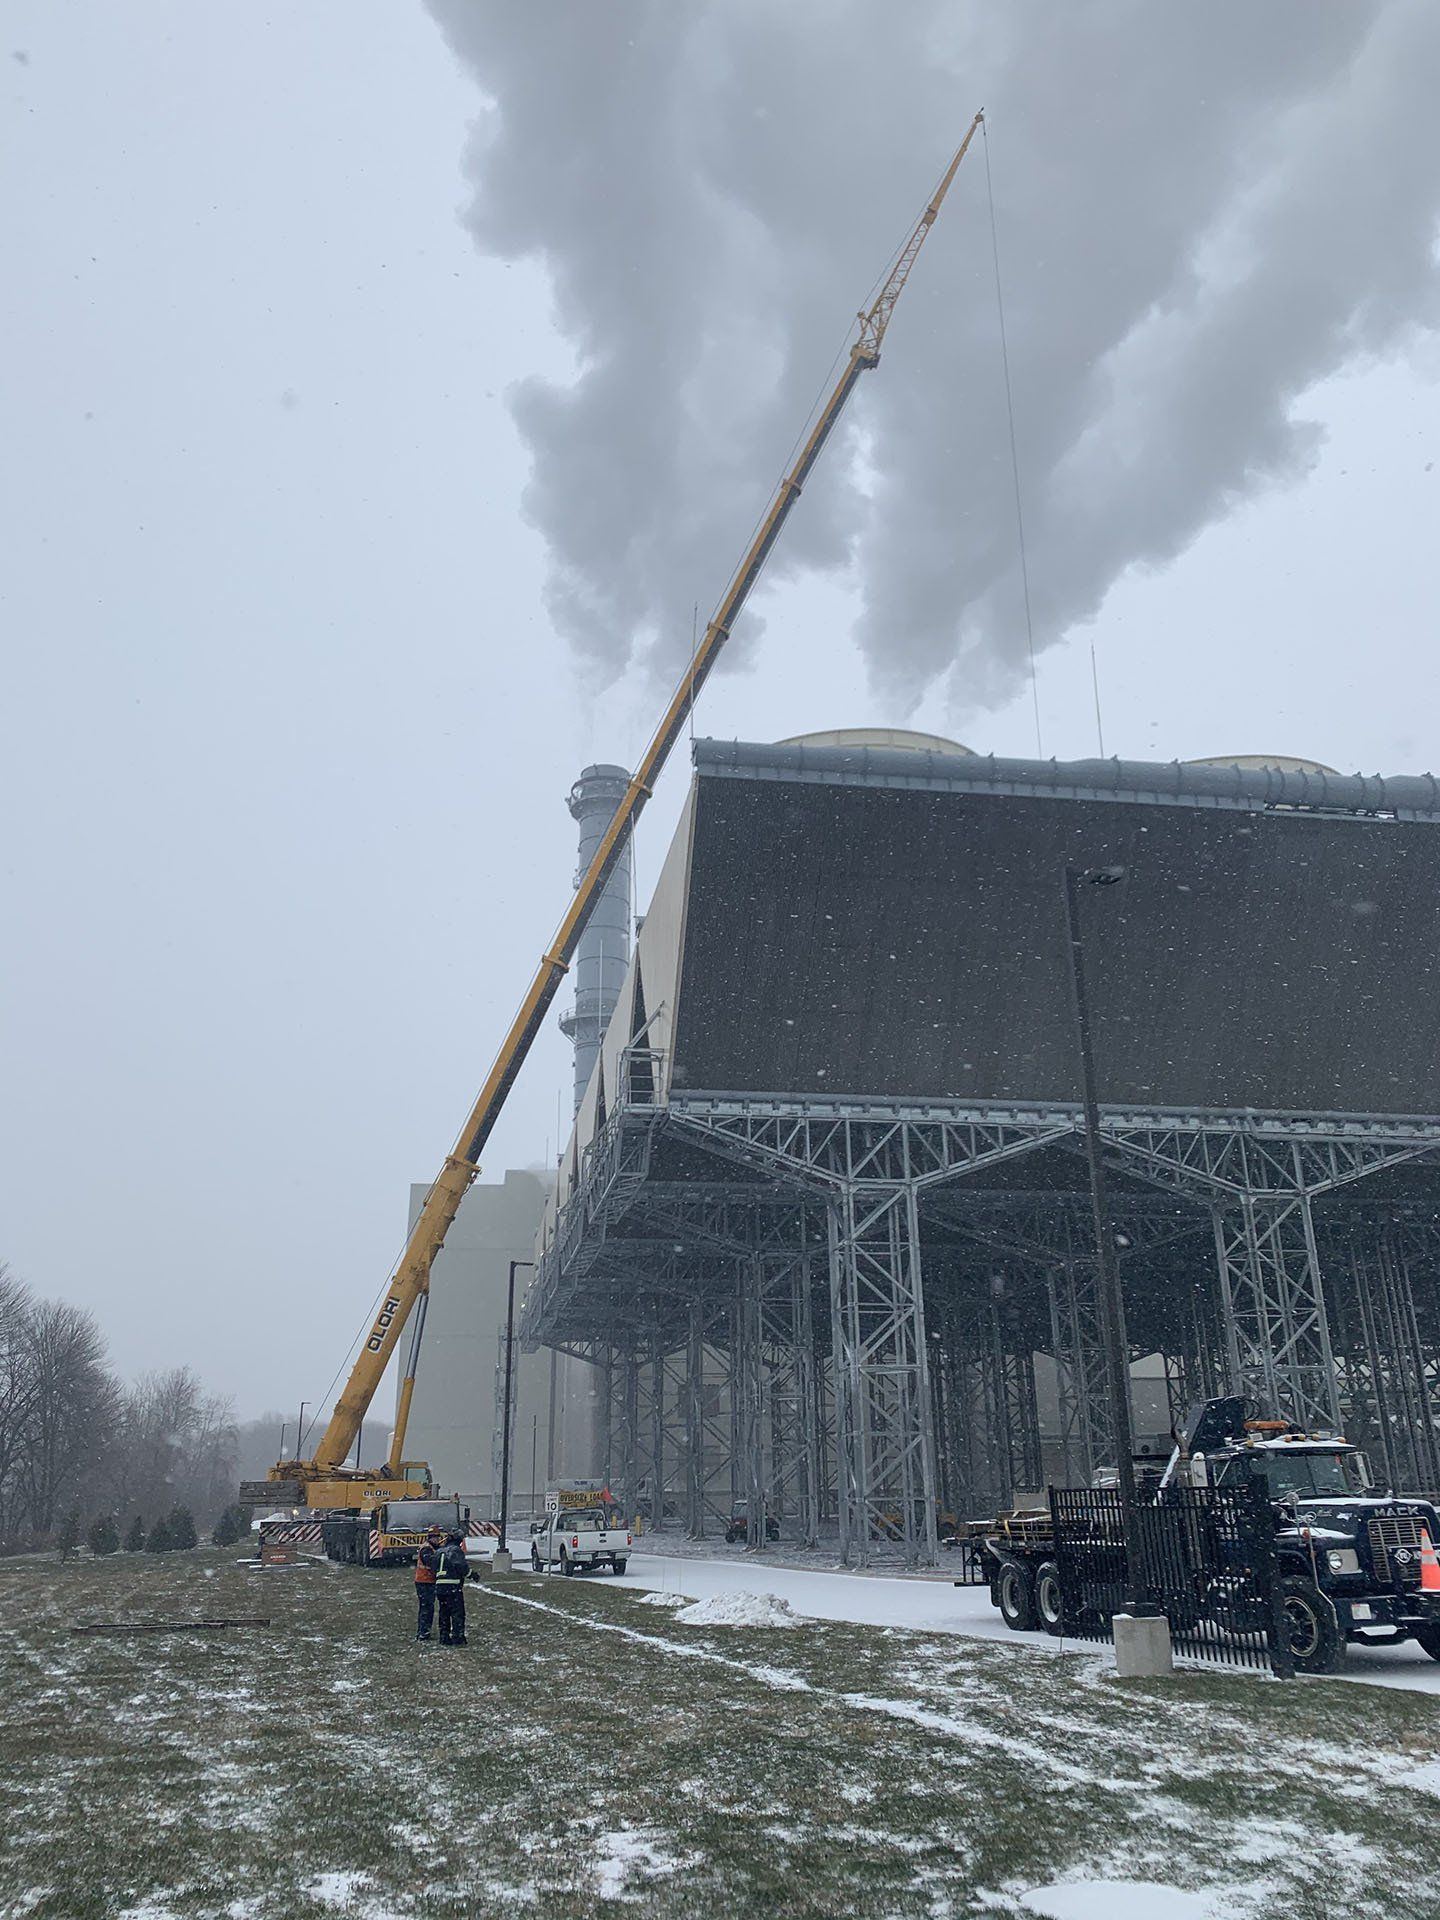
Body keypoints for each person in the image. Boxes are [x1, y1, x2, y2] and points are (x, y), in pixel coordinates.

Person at [435, 1528, 471, 1646]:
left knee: (444, 1613)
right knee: (457, 1613)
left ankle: (444, 1637)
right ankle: (457, 1637)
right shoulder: (455, 1551)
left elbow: (433, 1566)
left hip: (440, 1586)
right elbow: (461, 1567)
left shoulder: (440, 1551)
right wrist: (472, 1574)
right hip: (453, 1586)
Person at [414, 1525, 442, 1642]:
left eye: (437, 1537)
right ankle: (423, 1632)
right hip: (424, 1582)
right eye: (435, 1537)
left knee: (427, 1608)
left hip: (427, 1581)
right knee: (426, 1608)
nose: (437, 1539)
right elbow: (430, 1563)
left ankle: (424, 1631)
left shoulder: (431, 1548)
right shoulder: (427, 1549)